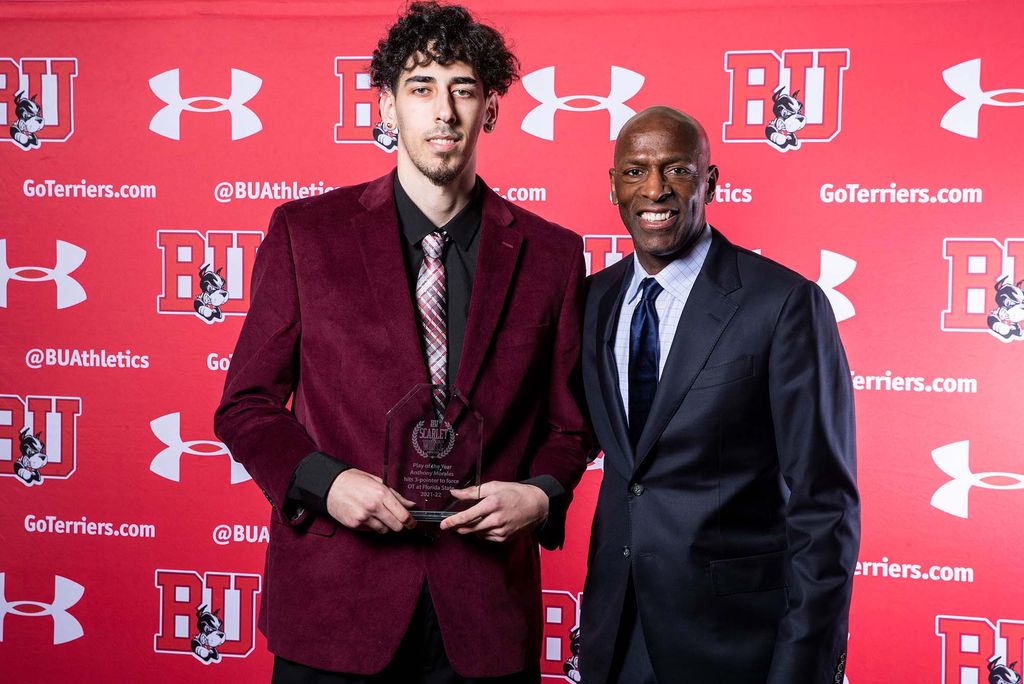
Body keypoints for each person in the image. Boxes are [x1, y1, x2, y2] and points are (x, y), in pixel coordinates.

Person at [214, 4, 591, 682]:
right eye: (421, 88)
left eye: (464, 89)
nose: (442, 111)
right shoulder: (307, 234)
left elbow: (568, 425)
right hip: (335, 607)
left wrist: (540, 493)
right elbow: (245, 404)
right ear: (387, 107)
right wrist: (323, 484)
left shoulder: (553, 256)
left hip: (484, 616)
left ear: (491, 111)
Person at [578, 106, 859, 684]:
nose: (654, 189)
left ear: (710, 181)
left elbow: (825, 503)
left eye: (677, 169)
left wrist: (803, 665)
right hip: (616, 629)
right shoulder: (592, 301)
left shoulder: (782, 305)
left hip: (735, 642)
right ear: (612, 185)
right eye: (635, 172)